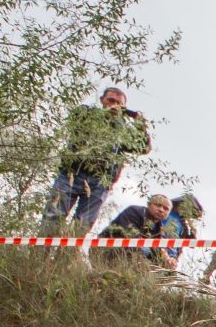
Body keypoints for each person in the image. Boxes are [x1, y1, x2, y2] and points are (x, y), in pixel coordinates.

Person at [40, 87, 152, 235]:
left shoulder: (123, 131)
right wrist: (103, 115)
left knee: (82, 225)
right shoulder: (87, 115)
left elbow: (143, 148)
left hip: (100, 182)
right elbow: (74, 118)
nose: (114, 105)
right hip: (71, 174)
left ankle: (66, 258)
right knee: (53, 217)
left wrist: (140, 126)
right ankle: (40, 256)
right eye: (110, 100)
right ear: (102, 100)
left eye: (119, 103)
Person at [97, 193, 174, 268]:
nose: (161, 210)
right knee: (142, 251)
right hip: (106, 251)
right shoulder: (134, 211)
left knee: (163, 263)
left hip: (131, 257)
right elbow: (130, 235)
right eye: (158, 205)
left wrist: (168, 259)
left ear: (168, 214)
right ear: (149, 204)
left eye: (165, 208)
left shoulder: (161, 229)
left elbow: (161, 249)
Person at [160, 193, 202, 265]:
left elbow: (191, 244)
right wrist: (171, 256)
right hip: (166, 254)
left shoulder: (182, 223)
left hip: (170, 255)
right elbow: (169, 237)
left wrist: (192, 228)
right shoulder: (172, 217)